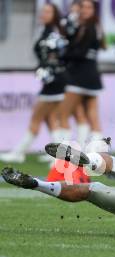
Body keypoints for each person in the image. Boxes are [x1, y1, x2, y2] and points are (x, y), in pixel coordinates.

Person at [0, 3, 66, 163]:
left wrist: (49, 71)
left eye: (48, 12)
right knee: (50, 118)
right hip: (52, 80)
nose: (44, 14)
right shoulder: (44, 31)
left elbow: (58, 57)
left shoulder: (55, 34)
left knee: (36, 117)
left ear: (55, 15)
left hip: (54, 81)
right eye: (43, 11)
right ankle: (60, 155)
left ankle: (18, 152)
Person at [55, 0, 105, 144]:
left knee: (62, 114)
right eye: (82, 7)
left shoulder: (90, 27)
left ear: (94, 10)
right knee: (90, 116)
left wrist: (62, 55)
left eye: (89, 7)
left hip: (80, 77)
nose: (85, 10)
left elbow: (80, 52)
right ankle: (90, 150)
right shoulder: (86, 26)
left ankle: (64, 153)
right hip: (91, 76)